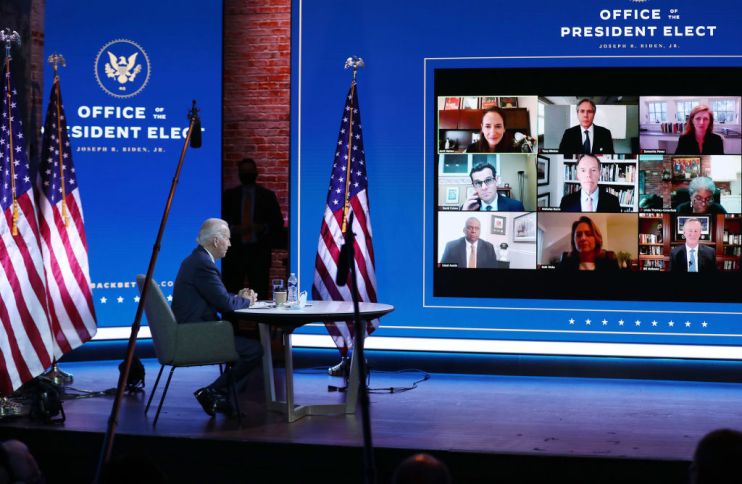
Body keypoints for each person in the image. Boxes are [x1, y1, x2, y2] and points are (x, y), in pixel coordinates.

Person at [172, 218, 264, 416]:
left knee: (247, 349)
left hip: (190, 330)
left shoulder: (197, 260)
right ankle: (214, 392)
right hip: (195, 335)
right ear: (216, 241)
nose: (230, 244)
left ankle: (219, 396)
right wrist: (247, 301)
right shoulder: (203, 264)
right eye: (227, 239)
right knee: (254, 351)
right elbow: (225, 305)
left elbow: (218, 296)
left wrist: (239, 297)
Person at [222, 157, 285, 299]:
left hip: (259, 254)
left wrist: (262, 227)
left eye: (250, 172)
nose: (247, 175)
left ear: (256, 173)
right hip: (234, 254)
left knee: (260, 293)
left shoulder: (267, 196)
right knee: (231, 293)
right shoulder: (229, 196)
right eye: (244, 172)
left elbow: (278, 223)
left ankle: (259, 315)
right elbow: (221, 221)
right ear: (239, 174)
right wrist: (232, 229)